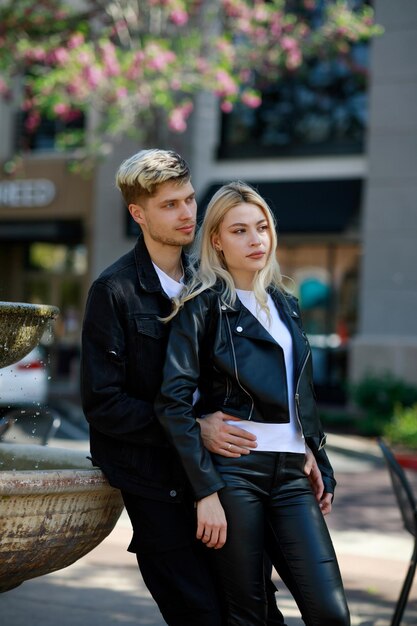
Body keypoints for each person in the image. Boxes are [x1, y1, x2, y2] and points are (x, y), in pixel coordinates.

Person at [81, 150, 326, 626]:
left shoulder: (211, 281)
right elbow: (103, 404)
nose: (187, 213)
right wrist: (196, 428)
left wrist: (304, 441)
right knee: (200, 614)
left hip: (226, 478)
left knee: (258, 611)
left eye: (190, 199)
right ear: (139, 214)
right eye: (170, 204)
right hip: (157, 484)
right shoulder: (114, 292)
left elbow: (262, 377)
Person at [155, 181, 351, 625]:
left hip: (291, 474)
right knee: (250, 615)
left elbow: (298, 391)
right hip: (234, 474)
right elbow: (172, 402)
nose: (255, 239)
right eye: (240, 230)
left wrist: (313, 451)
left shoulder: (285, 304)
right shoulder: (200, 307)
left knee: (331, 614)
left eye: (261, 227)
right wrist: (205, 490)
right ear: (217, 242)